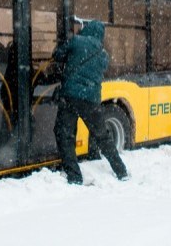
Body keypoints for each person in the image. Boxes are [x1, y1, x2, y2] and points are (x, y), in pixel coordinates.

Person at [52, 20, 128, 185]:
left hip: (70, 96)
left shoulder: (77, 41)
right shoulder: (103, 55)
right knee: (102, 137)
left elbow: (57, 55)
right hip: (91, 100)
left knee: (65, 134)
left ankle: (74, 176)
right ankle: (121, 171)